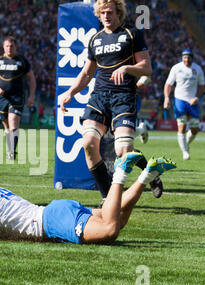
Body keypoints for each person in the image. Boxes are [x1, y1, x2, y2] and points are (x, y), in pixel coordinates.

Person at [0, 152, 176, 244]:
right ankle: (146, 175)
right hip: (54, 211)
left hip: (50, 221)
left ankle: (121, 172)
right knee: (114, 219)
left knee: (110, 230)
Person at [60, 0, 152, 206]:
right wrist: (70, 93)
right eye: (102, 13)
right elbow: (86, 72)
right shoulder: (95, 39)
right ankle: (107, 196)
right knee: (88, 144)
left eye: (110, 12)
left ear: (119, 12)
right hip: (99, 96)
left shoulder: (132, 34)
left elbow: (147, 67)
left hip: (124, 96)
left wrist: (127, 69)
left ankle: (150, 172)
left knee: (123, 151)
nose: (106, 16)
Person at [0, 36, 36, 160]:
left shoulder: (22, 61)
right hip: (2, 97)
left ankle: (11, 152)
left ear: (16, 47)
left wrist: (31, 96)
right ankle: (10, 147)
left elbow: (31, 78)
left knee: (13, 121)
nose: (9, 48)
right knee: (6, 126)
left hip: (17, 96)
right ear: (3, 47)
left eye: (12, 46)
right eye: (7, 46)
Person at [164, 48, 205, 160]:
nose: (186, 59)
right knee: (181, 127)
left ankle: (185, 144)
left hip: (192, 101)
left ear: (192, 58)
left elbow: (202, 86)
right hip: (179, 100)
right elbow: (168, 84)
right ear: (182, 58)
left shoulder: (198, 69)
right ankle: (185, 152)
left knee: (195, 129)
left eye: (188, 57)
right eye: (184, 57)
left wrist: (197, 97)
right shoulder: (176, 68)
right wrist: (167, 98)